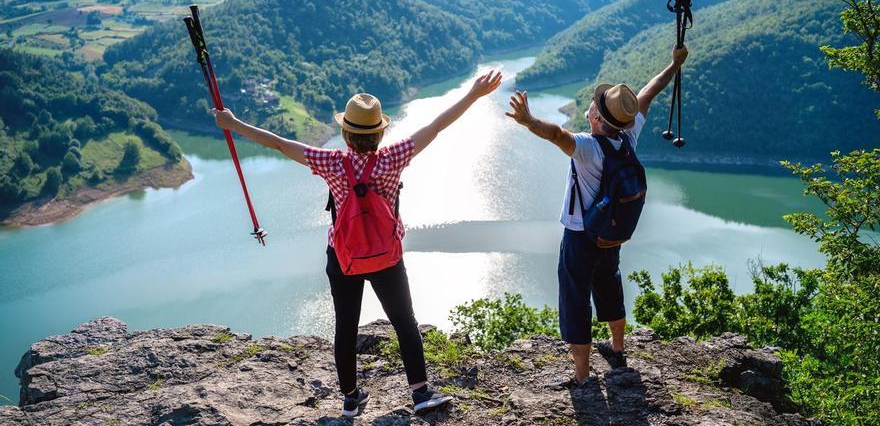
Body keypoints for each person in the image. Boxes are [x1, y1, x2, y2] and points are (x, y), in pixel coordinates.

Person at [213, 70, 503, 416]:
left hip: (343, 257)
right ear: (380, 133)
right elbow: (436, 126)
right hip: (387, 257)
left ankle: (351, 399)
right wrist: (472, 94)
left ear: (345, 133)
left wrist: (234, 124)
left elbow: (278, 143)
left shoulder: (331, 163)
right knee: (405, 322)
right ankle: (421, 393)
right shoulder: (393, 159)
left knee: (346, 326)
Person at [505, 45, 688, 385]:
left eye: (595, 105)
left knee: (576, 298)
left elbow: (556, 134)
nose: (591, 105)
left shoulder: (588, 148)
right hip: (611, 233)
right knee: (609, 283)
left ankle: (582, 374)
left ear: (597, 119)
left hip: (580, 234)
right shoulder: (628, 136)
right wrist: (673, 65)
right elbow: (647, 94)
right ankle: (617, 350)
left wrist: (528, 120)